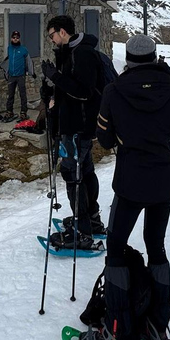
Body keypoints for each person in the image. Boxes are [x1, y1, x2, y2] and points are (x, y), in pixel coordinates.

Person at [79, 34, 170, 340]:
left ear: (126, 60)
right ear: (156, 56)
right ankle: (158, 321)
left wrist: (128, 138)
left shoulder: (115, 91)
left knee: (115, 248)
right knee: (156, 246)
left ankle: (120, 327)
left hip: (129, 181)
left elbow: (104, 139)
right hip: (164, 180)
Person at [41, 15, 105, 249]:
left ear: (62, 32)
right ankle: (91, 220)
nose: (51, 40)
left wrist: (55, 77)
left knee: (73, 176)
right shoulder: (71, 52)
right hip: (76, 124)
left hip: (78, 127)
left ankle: (83, 230)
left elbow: (84, 92)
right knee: (85, 173)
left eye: (52, 35)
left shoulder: (83, 54)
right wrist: (52, 93)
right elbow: (70, 88)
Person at [0, 30, 36, 122]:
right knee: (10, 95)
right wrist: (6, 72)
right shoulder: (9, 48)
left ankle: (23, 112)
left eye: (17, 38)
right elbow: (8, 61)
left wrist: (32, 72)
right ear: (11, 38)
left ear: (19, 39)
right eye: (14, 37)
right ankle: (9, 112)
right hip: (12, 76)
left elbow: (29, 61)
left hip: (20, 76)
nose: (15, 39)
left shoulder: (24, 50)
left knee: (22, 94)